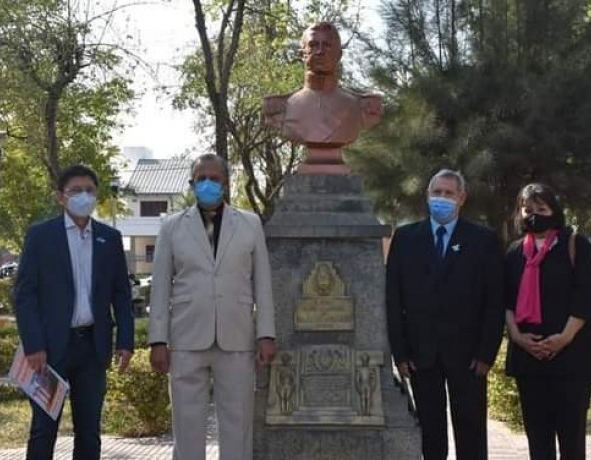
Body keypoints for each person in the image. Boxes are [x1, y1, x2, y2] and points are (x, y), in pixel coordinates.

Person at [148, 153, 277, 460]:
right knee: (186, 423)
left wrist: (266, 333)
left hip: (237, 336)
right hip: (186, 338)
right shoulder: (171, 227)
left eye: (214, 178)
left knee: (238, 423)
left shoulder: (250, 224)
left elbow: (263, 282)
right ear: (192, 184)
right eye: (201, 178)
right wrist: (157, 340)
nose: (208, 183)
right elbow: (160, 286)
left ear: (226, 183)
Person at [15, 164, 134, 460]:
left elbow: (121, 292)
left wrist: (125, 341)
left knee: (89, 431)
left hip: (92, 348)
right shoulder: (41, 236)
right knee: (44, 428)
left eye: (90, 191)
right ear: (61, 197)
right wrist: (34, 345)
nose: (84, 196)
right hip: (50, 351)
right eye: (76, 191)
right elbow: (25, 294)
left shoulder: (110, 238)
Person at [386, 169, 505, 460]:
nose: (442, 198)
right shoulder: (405, 238)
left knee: (471, 432)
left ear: (461, 198)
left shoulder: (482, 240)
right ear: (427, 196)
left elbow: (494, 301)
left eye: (449, 193)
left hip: (469, 357)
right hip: (420, 356)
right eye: (437, 193)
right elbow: (393, 298)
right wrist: (400, 354)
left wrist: (486, 353)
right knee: (430, 433)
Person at [503, 183, 591, 460]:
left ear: (554, 211)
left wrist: (564, 337)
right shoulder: (514, 253)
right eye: (528, 210)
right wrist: (517, 336)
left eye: (541, 209)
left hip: (571, 358)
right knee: (538, 440)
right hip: (529, 358)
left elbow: (588, 295)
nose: (533, 215)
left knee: (572, 441)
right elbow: (505, 300)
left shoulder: (575, 245)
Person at [262, 22, 382, 151]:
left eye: (327, 45)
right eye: (313, 45)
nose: (320, 51)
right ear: (302, 55)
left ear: (339, 55)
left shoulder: (363, 107)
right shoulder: (280, 108)